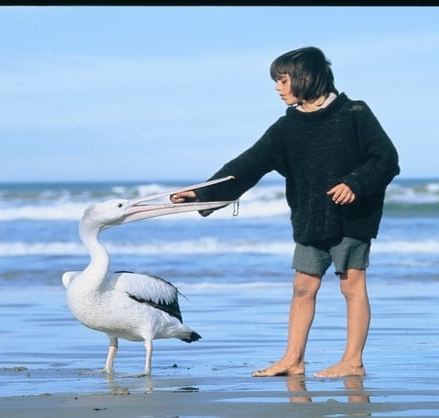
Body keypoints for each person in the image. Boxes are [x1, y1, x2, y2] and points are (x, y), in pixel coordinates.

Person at [170, 46, 399, 378]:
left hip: (352, 218)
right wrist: (202, 193)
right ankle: (293, 359)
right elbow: (247, 165)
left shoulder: (355, 113)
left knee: (352, 286)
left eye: (282, 79)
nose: (278, 87)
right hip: (309, 218)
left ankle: (353, 361)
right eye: (276, 81)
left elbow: (386, 160)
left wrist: (355, 184)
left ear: (306, 77)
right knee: (303, 287)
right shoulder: (286, 128)